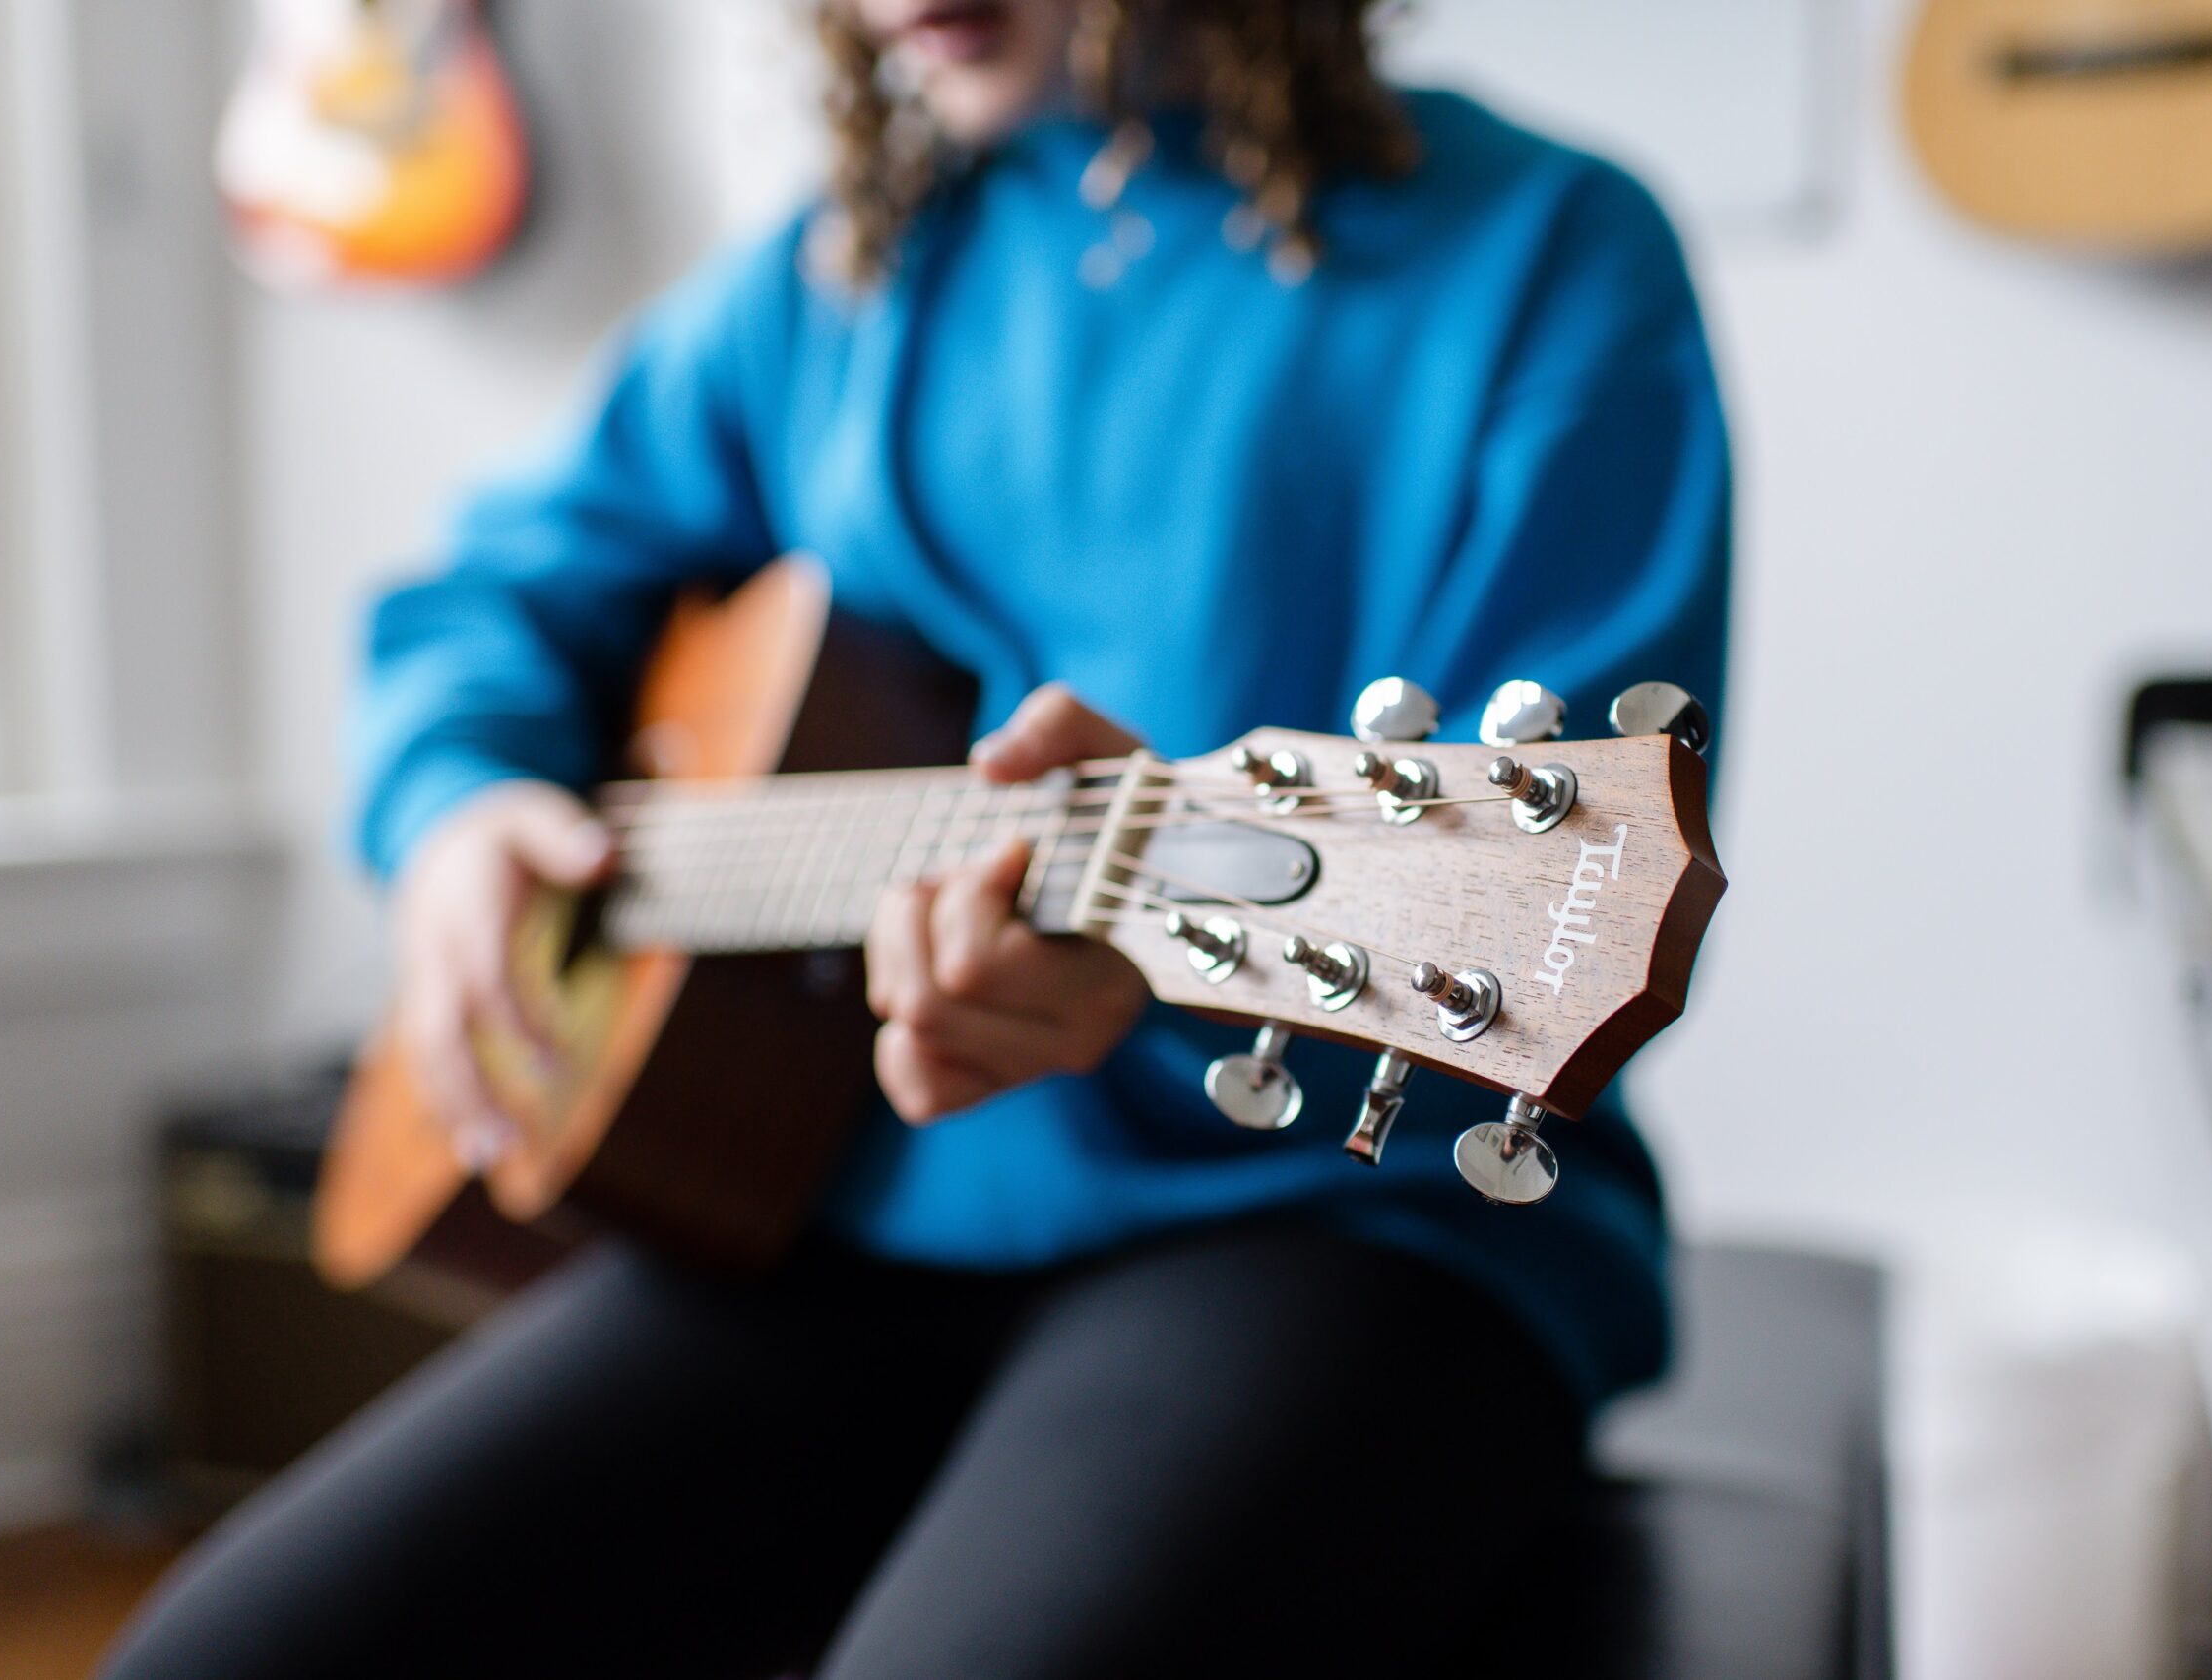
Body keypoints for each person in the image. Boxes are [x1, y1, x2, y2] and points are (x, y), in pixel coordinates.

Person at [102, 1, 1729, 1674]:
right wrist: (457, 806)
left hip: (1359, 1227)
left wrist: (1134, 979)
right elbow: (496, 590)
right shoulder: (837, 276)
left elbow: (1549, 896)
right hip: (833, 1202)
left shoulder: (1548, 252)